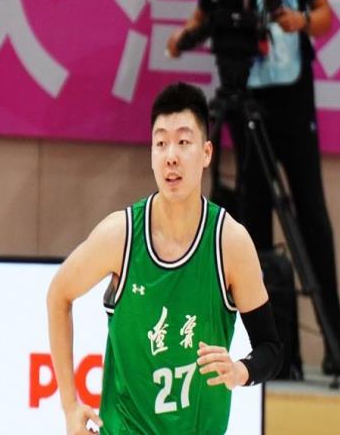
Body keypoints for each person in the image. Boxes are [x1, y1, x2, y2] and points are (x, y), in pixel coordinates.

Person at [47, 82, 283, 434]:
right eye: (161, 143)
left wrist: (240, 371)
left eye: (183, 142)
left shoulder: (229, 243)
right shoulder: (121, 236)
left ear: (206, 153)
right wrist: (70, 406)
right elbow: (58, 295)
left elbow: (271, 349)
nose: (171, 155)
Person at [167, 0, 340, 376]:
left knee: (311, 215)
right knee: (253, 221)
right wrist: (182, 38)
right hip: (246, 92)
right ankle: (269, 351)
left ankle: (336, 345)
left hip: (292, 97)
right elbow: (202, 17)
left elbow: (324, 16)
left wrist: (301, 20)